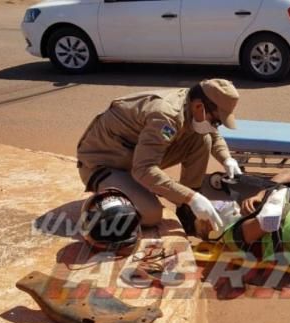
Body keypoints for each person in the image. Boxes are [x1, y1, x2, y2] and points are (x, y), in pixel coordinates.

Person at [76, 79, 243, 234]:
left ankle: (186, 212)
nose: (216, 126)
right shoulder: (165, 115)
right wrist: (191, 197)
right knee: (151, 214)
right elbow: (143, 168)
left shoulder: (192, 102)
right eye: (216, 121)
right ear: (199, 107)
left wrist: (226, 159)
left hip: (134, 156)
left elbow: (212, 134)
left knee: (202, 139)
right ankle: (179, 200)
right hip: (104, 164)